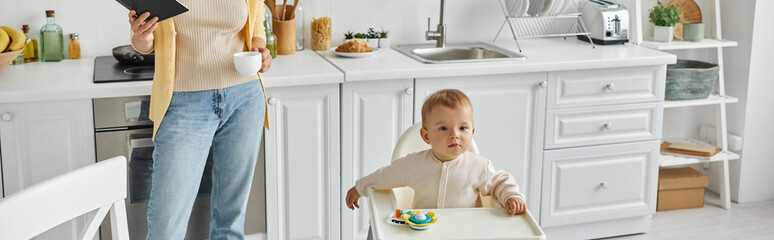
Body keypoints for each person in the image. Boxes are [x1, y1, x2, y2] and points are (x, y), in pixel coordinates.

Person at [127, 0, 272, 238]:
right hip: (184, 102)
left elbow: (256, 24)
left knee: (231, 223)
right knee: (166, 228)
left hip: (244, 97)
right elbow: (144, 42)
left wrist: (259, 50)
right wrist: (141, 38)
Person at [345, 89, 527, 216]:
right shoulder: (413, 165)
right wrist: (360, 188)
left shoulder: (479, 166)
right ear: (426, 136)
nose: (454, 135)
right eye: (443, 128)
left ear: (472, 133)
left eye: (463, 128)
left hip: (466, 233)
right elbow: (385, 175)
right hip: (424, 232)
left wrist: (512, 196)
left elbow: (500, 182)